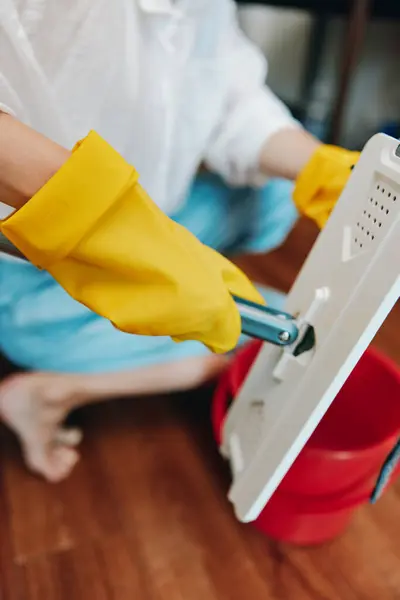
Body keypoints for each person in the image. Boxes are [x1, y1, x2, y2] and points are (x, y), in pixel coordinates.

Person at [0, 0, 358, 482]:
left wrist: (327, 171)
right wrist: (101, 227)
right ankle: (55, 389)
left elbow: (227, 90)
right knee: (266, 335)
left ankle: (172, 282)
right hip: (25, 261)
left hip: (152, 200)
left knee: (276, 195)